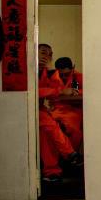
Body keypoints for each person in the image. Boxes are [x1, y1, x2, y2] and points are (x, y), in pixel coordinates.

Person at [37, 44, 81, 181]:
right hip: (52, 110)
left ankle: (66, 161)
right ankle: (58, 166)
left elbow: (74, 92)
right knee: (48, 129)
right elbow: (42, 92)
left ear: (72, 69)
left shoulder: (75, 77)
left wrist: (64, 92)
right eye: (43, 53)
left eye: (49, 54)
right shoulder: (43, 72)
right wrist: (58, 91)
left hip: (71, 110)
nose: (63, 76)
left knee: (70, 128)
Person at [51, 57, 83, 151]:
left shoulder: (77, 77)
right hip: (57, 109)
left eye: (67, 74)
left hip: (74, 110)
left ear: (72, 68)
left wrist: (75, 91)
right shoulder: (53, 77)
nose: (64, 77)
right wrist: (61, 92)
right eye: (61, 75)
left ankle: (72, 153)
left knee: (72, 127)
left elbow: (87, 91)